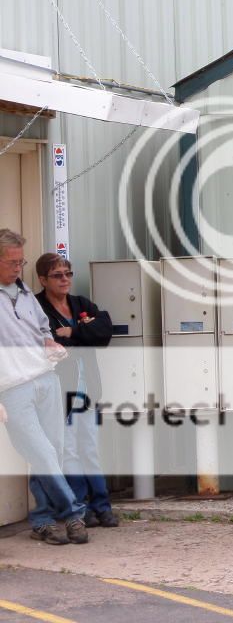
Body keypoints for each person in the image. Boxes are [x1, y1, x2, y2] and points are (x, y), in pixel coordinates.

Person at [0, 228, 88, 545]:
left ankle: (47, 519)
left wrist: (49, 342)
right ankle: (68, 516)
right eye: (12, 262)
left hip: (45, 379)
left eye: (21, 262)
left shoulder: (21, 291)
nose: (18, 269)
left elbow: (41, 327)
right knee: (43, 453)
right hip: (12, 390)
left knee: (56, 452)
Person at [35, 253, 119, 529]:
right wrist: (84, 333)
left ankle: (101, 506)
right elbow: (47, 346)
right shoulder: (39, 308)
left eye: (68, 273)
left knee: (91, 449)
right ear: (43, 280)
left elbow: (105, 330)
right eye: (58, 275)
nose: (65, 279)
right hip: (61, 391)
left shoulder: (80, 303)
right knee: (69, 451)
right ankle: (80, 508)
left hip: (87, 388)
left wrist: (73, 334)